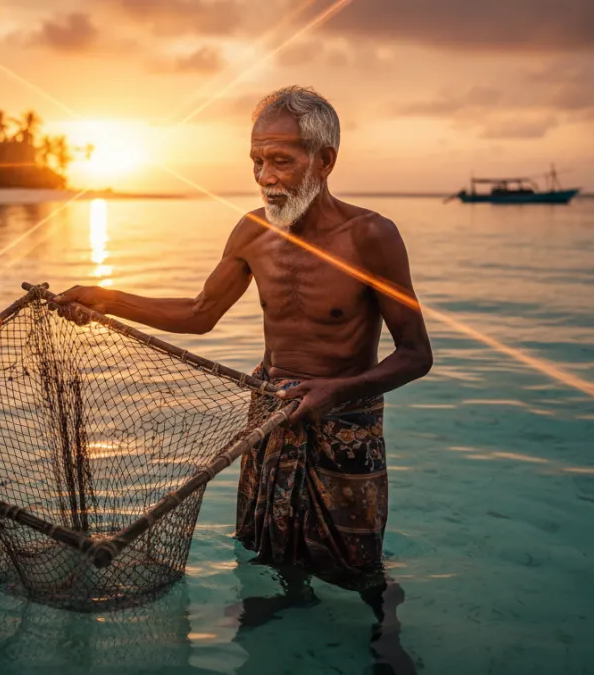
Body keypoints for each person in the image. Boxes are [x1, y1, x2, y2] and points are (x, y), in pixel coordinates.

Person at [55, 86, 432, 671]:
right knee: (268, 542)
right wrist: (106, 299)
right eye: (257, 160)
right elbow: (200, 314)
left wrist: (335, 391)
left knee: (358, 556)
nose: (265, 176)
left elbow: (415, 353)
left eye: (281, 160)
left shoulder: (371, 237)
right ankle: (288, 607)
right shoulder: (252, 233)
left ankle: (383, 627)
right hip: (270, 409)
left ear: (325, 160)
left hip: (345, 420)